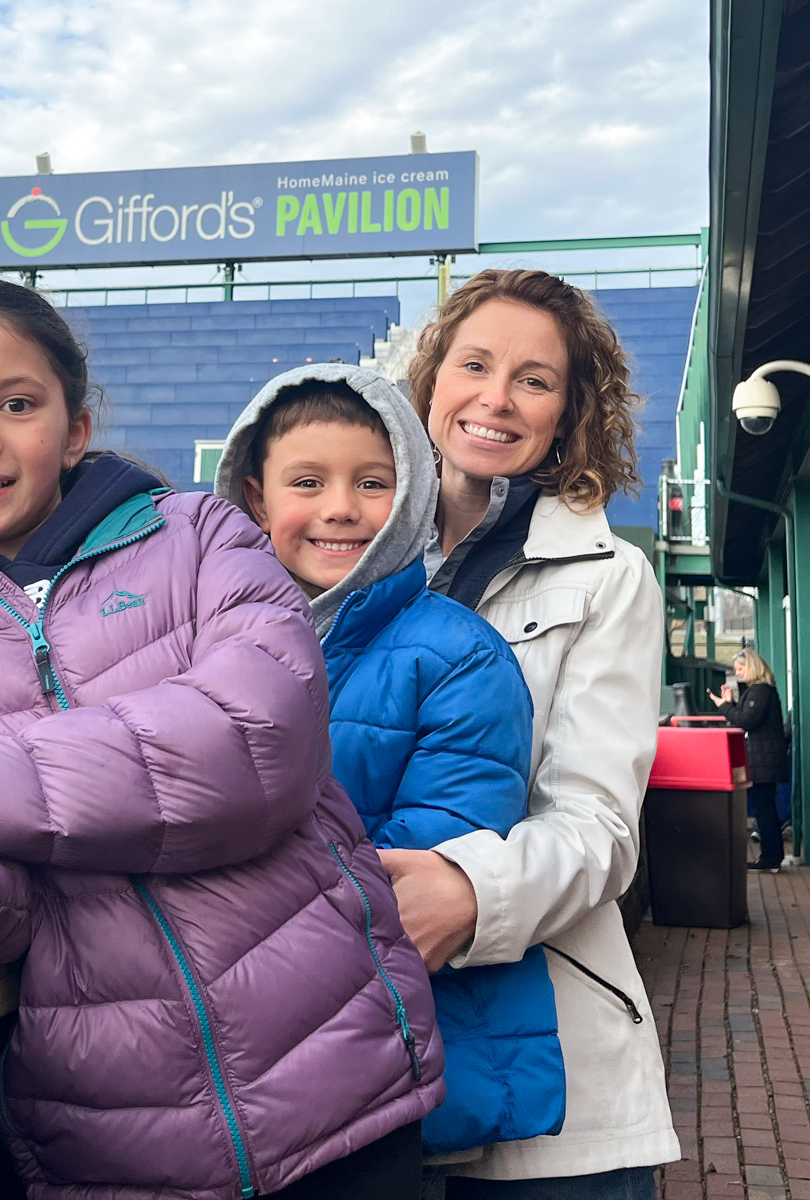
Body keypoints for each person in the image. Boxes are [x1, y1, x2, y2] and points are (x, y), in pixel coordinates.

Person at [0, 274, 446, 1199]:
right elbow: (4, 898)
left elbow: (252, 750)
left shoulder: (202, 535)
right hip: (113, 1140)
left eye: (16, 403)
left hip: (343, 1086)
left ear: (74, 428)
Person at [214, 364, 567, 1161]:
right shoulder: (206, 646)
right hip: (252, 1061)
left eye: (373, 482)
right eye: (309, 480)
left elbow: (419, 867)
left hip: (403, 1058)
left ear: (411, 494)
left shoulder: (457, 655)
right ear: (255, 496)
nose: (342, 507)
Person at [382, 268, 679, 1197]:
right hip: (355, 1067)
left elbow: (601, 828)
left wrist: (469, 895)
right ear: (430, 382)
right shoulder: (340, 554)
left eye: (535, 380)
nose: (496, 398)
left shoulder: (609, 576)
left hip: (553, 1086)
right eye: (474, 364)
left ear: (569, 412)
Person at [709, 648, 788, 871]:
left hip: (762, 760)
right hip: (765, 759)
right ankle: (772, 856)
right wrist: (730, 702)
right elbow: (744, 718)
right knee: (765, 808)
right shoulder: (759, 691)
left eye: (740, 668)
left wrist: (723, 706)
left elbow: (745, 721)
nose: (738, 673)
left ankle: (771, 858)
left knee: (764, 809)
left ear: (751, 667)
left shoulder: (760, 692)